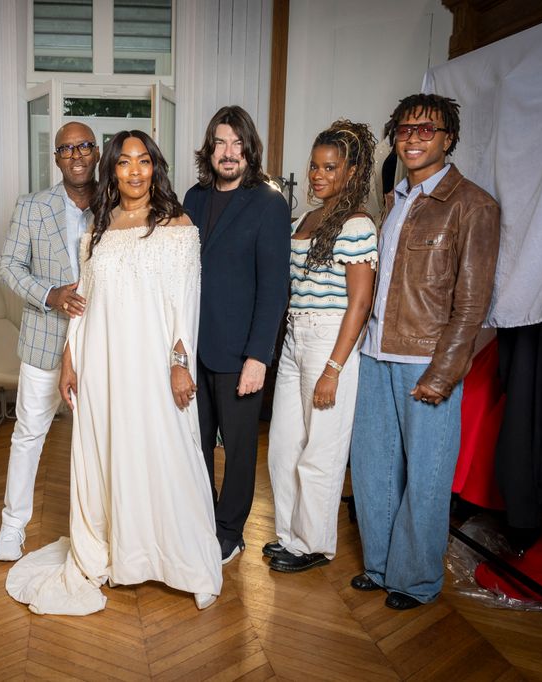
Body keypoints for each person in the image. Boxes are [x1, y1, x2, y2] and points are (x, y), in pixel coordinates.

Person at [5, 130, 222, 614]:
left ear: (155, 168)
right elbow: (83, 303)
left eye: (144, 161)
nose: (135, 171)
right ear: (114, 170)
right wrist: (68, 360)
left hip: (153, 365)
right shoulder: (98, 230)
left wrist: (180, 365)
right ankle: (120, 551)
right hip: (101, 365)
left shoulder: (177, 224)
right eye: (125, 163)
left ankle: (189, 561)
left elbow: (185, 303)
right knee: (109, 454)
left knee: (169, 454)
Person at [349, 94, 500, 609]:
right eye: (405, 130)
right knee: (373, 467)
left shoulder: (473, 205)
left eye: (426, 130)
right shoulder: (394, 203)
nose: (413, 138)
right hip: (375, 353)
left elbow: (472, 302)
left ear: (448, 138)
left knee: (427, 475)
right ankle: (380, 565)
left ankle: (414, 580)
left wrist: (445, 371)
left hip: (426, 360)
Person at [263, 120, 378, 573]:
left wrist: (333, 367)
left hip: (333, 338)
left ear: (350, 173)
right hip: (295, 336)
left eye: (330, 167)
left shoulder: (357, 224)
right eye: (314, 166)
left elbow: (361, 302)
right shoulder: (302, 221)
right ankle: (288, 535)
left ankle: (313, 543)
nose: (317, 175)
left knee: (321, 449)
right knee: (283, 445)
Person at [183, 106, 291, 564]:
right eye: (220, 143)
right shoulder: (192, 198)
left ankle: (230, 531)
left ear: (249, 150)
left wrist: (258, 357)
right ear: (209, 149)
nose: (228, 153)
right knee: (195, 443)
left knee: (241, 450)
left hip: (240, 352)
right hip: (193, 349)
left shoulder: (269, 203)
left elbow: (273, 290)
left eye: (237, 144)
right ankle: (203, 518)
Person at [0, 122, 100, 561]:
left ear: (97, 153)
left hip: (99, 343)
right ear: (55, 158)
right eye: (66, 149)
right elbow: (8, 266)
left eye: (84, 147)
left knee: (97, 438)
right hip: (43, 340)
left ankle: (96, 529)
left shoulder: (117, 206)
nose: (76, 156)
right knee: (29, 433)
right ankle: (12, 526)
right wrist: (49, 295)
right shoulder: (32, 206)